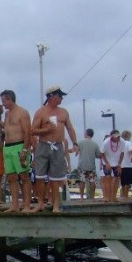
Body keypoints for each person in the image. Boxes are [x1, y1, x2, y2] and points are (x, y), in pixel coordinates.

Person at [29, 85, 78, 213]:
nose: (61, 98)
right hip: (43, 145)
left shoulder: (64, 112)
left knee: (56, 178)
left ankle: (56, 205)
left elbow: (70, 128)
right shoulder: (41, 112)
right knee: (39, 177)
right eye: (59, 96)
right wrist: (46, 129)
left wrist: (75, 143)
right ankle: (40, 203)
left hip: (58, 146)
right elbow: (32, 130)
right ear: (52, 97)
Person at [0, 89, 33, 212]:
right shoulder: (7, 114)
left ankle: (27, 205)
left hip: (19, 146)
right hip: (7, 147)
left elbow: (27, 132)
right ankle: (14, 205)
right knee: (11, 177)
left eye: (4, 101)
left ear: (10, 99)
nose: (3, 103)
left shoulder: (22, 112)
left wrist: (25, 150)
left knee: (24, 176)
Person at [76, 128, 101, 200]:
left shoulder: (80, 142)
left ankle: (81, 197)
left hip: (82, 166)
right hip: (91, 166)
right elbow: (98, 155)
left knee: (82, 181)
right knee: (92, 181)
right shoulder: (95, 144)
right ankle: (92, 197)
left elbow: (75, 150)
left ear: (86, 134)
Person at [100, 130, 124, 202]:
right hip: (107, 162)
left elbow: (122, 153)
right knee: (108, 178)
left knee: (116, 178)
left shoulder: (122, 141)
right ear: (112, 137)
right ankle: (107, 197)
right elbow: (101, 153)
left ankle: (114, 196)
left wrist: (119, 164)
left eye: (119, 136)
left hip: (117, 162)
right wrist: (107, 163)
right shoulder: (106, 142)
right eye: (116, 137)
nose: (118, 138)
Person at [119, 130, 132, 200]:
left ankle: (123, 195)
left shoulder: (120, 143)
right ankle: (126, 195)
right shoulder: (128, 143)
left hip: (120, 165)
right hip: (127, 165)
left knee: (122, 182)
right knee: (127, 182)